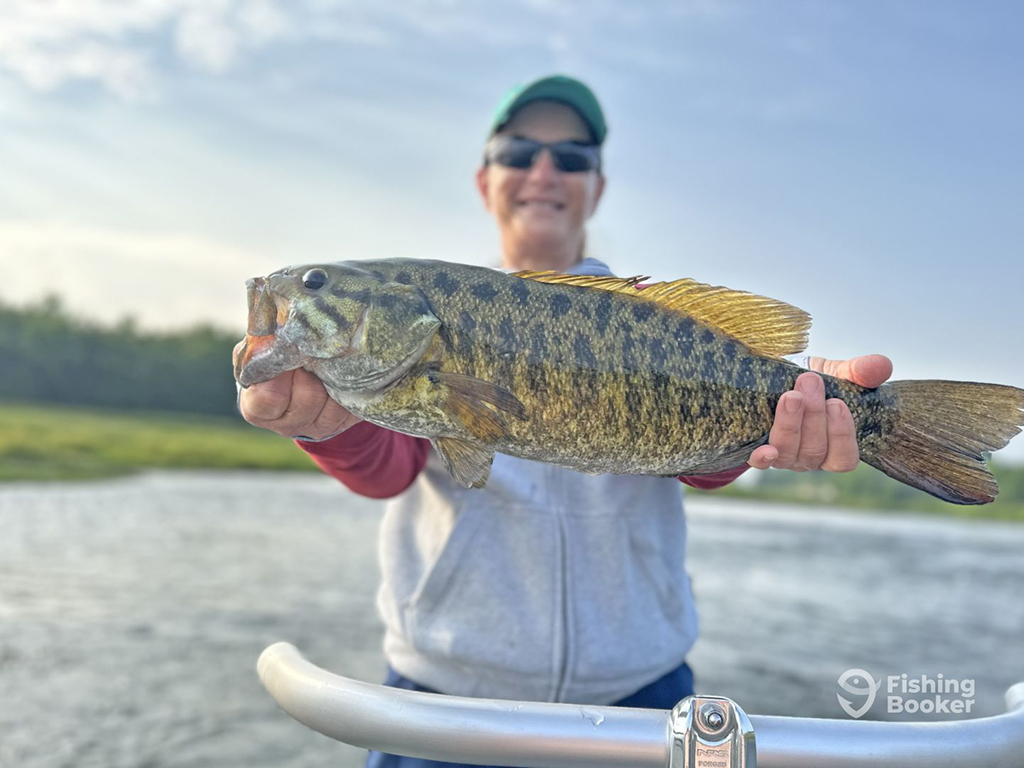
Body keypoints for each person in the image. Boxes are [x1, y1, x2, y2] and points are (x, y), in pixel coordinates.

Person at [236, 75, 893, 767]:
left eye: (571, 158)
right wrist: (320, 421)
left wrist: (788, 417)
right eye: (518, 154)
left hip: (639, 705)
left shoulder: (645, 314)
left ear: (597, 187)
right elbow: (391, 470)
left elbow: (697, 459)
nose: (543, 172)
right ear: (485, 180)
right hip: (440, 708)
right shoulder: (419, 337)